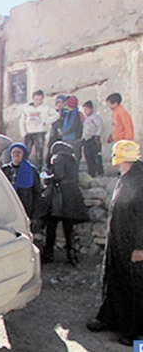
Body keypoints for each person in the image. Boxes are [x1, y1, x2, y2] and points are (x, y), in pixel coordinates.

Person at [86, 140, 143, 346]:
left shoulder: (140, 180)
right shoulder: (128, 177)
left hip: (134, 245)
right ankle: (111, 318)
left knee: (137, 287)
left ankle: (138, 333)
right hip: (119, 240)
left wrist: (140, 247)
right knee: (115, 278)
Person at [40, 141, 88, 266]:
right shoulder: (73, 159)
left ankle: (48, 253)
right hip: (72, 195)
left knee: (52, 226)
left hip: (59, 197)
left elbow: (59, 175)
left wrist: (48, 177)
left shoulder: (59, 158)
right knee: (69, 228)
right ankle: (71, 254)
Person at [19, 90, 60, 169]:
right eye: (36, 99)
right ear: (33, 99)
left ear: (42, 99)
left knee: (39, 154)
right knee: (26, 152)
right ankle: (23, 168)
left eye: (40, 99)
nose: (38, 101)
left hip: (40, 132)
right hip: (29, 132)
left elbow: (56, 115)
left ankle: (38, 170)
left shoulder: (45, 108)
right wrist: (23, 133)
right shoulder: (26, 108)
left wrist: (46, 121)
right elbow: (21, 121)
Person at [1, 143, 41, 220]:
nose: (16, 154)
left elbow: (37, 193)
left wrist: (35, 216)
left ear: (23, 154)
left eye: (19, 152)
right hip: (8, 207)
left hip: (25, 208)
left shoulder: (31, 170)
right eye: (14, 152)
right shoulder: (4, 169)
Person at [82, 100, 105, 177]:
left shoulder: (96, 117)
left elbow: (101, 127)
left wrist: (97, 135)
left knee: (96, 157)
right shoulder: (86, 119)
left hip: (94, 140)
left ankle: (100, 173)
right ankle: (91, 174)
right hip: (87, 140)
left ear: (91, 109)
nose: (85, 111)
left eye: (86, 109)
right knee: (88, 158)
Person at [61, 95, 84, 163]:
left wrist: (64, 132)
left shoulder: (75, 114)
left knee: (73, 156)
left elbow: (73, 126)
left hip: (73, 138)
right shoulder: (69, 113)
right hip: (67, 138)